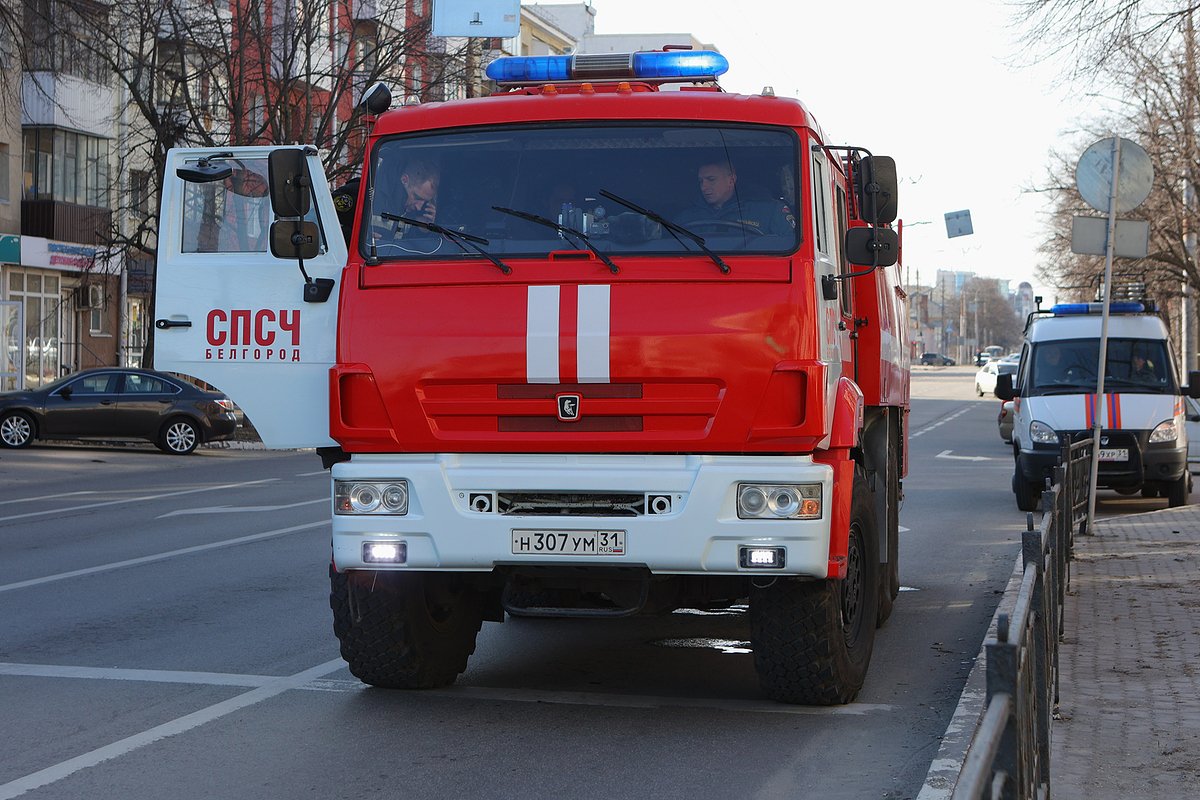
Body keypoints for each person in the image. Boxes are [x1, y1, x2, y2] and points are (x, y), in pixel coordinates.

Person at [675, 159, 794, 236]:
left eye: (711, 180)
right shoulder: (687, 217)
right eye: (701, 181)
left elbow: (789, 249)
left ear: (731, 180)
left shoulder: (770, 211)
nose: (703, 187)